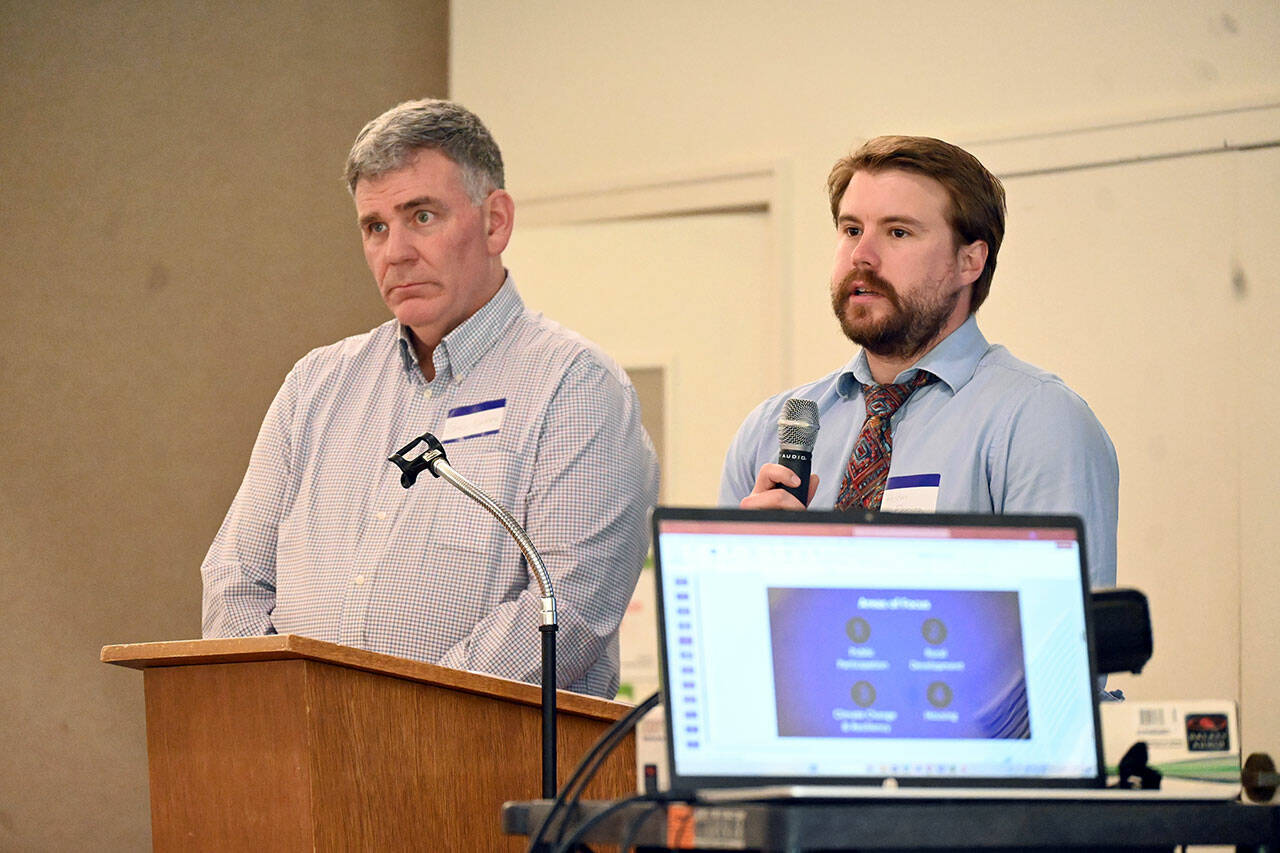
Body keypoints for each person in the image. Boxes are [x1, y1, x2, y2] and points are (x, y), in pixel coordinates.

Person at [202, 99, 659, 698]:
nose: (395, 253)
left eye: (421, 216)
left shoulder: (576, 388)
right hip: (302, 762)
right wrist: (283, 709)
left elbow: (567, 609)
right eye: (375, 227)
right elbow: (235, 577)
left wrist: (391, 721)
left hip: (485, 773)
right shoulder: (315, 385)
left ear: (496, 222)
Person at [720, 135, 1117, 589]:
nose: (861, 257)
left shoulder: (1037, 421)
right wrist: (748, 574)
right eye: (851, 230)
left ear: (970, 260)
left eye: (897, 232)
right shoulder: (768, 430)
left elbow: (1061, 645)